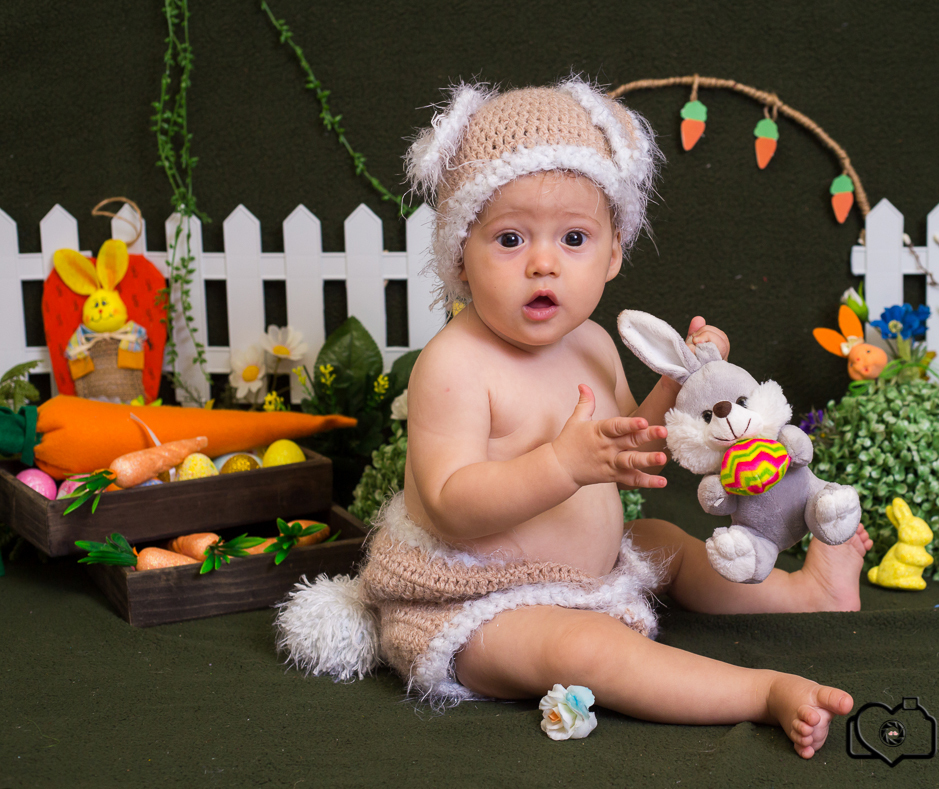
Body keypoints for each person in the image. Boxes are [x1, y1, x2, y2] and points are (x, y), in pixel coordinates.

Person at [278, 81, 872, 759]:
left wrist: (683, 388)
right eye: (508, 237)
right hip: (477, 606)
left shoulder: (591, 341)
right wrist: (561, 464)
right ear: (460, 257)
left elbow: (628, 444)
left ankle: (803, 593)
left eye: (574, 237)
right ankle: (759, 692)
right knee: (586, 647)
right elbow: (448, 505)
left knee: (664, 541)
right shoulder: (453, 365)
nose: (543, 261)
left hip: (593, 573)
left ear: (613, 253)